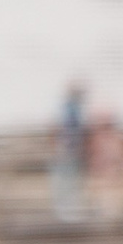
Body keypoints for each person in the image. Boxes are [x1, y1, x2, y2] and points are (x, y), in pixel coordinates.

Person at [50, 82, 88, 220]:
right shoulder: (71, 109)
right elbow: (69, 132)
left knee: (67, 182)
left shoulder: (69, 108)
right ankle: (66, 214)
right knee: (68, 183)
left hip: (67, 152)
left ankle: (66, 212)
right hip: (68, 152)